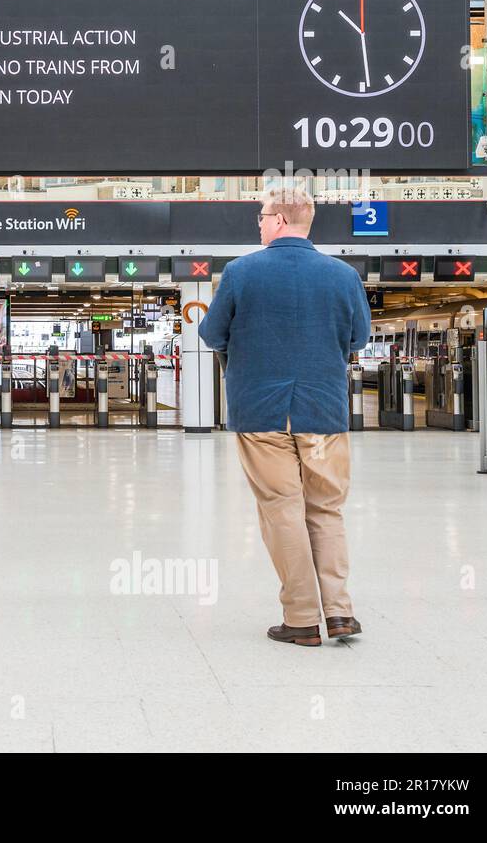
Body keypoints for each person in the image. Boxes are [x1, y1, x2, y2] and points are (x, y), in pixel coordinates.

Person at [198, 187, 371, 647]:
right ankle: (338, 613)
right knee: (327, 509)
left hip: (261, 412)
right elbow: (359, 340)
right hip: (324, 410)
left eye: (261, 215)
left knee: (282, 509)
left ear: (277, 220)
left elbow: (212, 333)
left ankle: (299, 618)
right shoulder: (343, 275)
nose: (258, 223)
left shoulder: (240, 272)